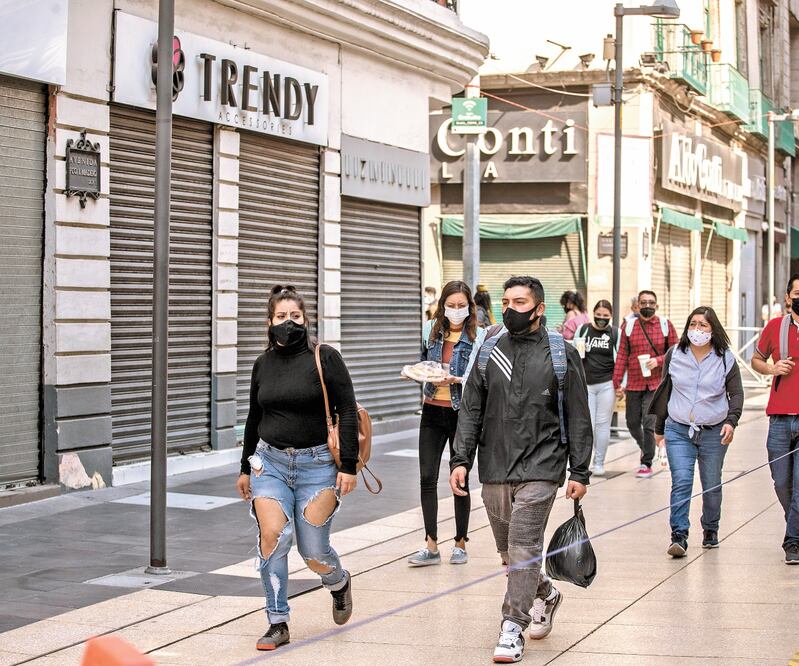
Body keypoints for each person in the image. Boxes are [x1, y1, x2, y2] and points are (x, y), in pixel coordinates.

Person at [449, 276, 592, 664]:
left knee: (524, 546)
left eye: (521, 302)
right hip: (495, 466)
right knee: (510, 557)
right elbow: (471, 409)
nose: (511, 309)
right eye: (507, 301)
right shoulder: (489, 350)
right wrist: (460, 459)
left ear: (540, 308)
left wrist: (580, 471)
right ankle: (545, 592)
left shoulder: (562, 354)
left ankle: (512, 627)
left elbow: (579, 416)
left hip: (543, 466)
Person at [236, 285, 358, 651]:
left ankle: (338, 583)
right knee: (272, 538)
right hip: (269, 464)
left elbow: (348, 410)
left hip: (318, 467)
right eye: (280, 317)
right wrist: (245, 467)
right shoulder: (262, 364)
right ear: (269, 322)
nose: (288, 323)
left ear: (306, 320)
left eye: (295, 316)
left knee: (313, 553)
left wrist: (348, 465)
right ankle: (277, 621)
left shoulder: (325, 358)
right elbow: (255, 417)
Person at [650, 307, 743, 558]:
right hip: (678, 429)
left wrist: (731, 422)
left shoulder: (725, 358)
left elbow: (736, 394)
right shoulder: (675, 354)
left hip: (714, 432)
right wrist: (659, 429)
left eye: (703, 325)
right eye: (693, 324)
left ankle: (711, 529)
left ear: (713, 329)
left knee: (711, 484)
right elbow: (665, 391)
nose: (697, 330)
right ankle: (679, 535)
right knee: (681, 481)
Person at [409, 281, 486, 567]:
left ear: (469, 306)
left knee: (459, 477)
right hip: (431, 412)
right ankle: (430, 545)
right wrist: (418, 374)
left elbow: (480, 377)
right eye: (450, 306)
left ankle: (460, 542)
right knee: (427, 477)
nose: (455, 311)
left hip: (460, 413)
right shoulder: (432, 331)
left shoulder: (477, 336)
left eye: (460, 306)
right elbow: (423, 364)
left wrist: (458, 380)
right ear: (442, 306)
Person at [751, 274, 799, 564]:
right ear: (788, 297)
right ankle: (795, 523)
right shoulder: (774, 327)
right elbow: (757, 359)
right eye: (797, 292)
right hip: (779, 418)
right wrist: (772, 368)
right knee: (782, 482)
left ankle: (792, 541)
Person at [613, 290, 678, 478]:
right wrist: (617, 382)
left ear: (656, 306)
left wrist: (657, 361)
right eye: (643, 303)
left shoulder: (666, 325)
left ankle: (646, 462)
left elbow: (676, 351)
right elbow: (622, 355)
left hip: (656, 384)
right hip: (634, 383)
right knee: (632, 423)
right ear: (637, 306)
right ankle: (649, 447)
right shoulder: (629, 326)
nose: (647, 306)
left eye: (651, 303)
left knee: (649, 423)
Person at [577, 300, 620, 477]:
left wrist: (619, 384)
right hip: (586, 384)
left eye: (605, 316)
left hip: (606, 384)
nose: (601, 318)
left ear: (610, 316)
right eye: (599, 315)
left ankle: (599, 462)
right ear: (593, 313)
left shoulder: (615, 333)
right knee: (588, 425)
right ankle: (584, 462)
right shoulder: (583, 329)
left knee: (602, 425)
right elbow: (575, 354)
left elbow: (621, 357)